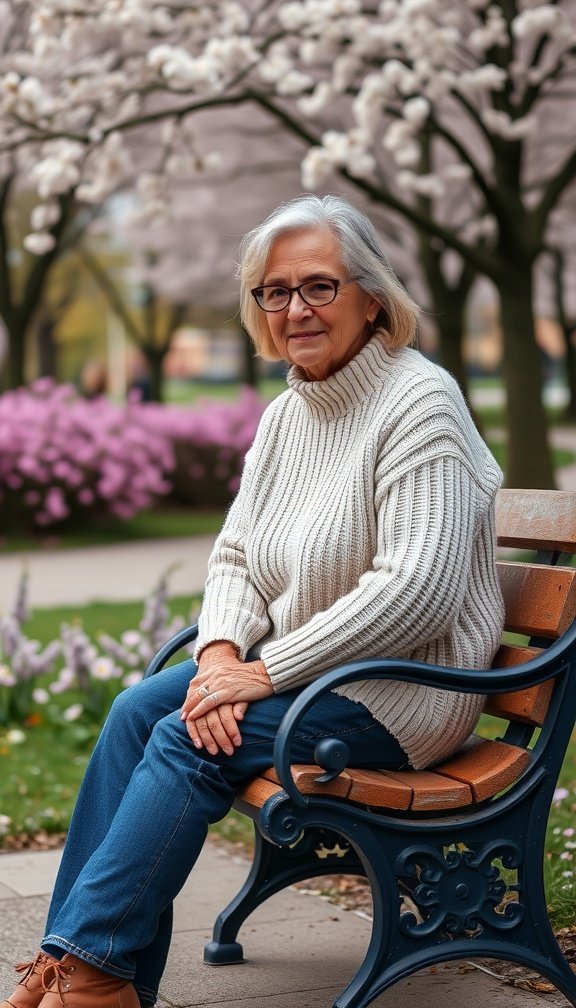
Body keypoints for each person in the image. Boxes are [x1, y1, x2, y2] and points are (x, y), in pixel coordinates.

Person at [1, 194, 504, 1008]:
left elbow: (418, 590)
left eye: (319, 286)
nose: (295, 308)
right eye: (275, 291)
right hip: (307, 672)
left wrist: (263, 674)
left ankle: (95, 977)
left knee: (189, 739)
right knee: (135, 712)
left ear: (373, 298)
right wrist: (221, 654)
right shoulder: (287, 416)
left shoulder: (421, 403)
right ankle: (75, 962)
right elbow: (236, 555)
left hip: (402, 690)